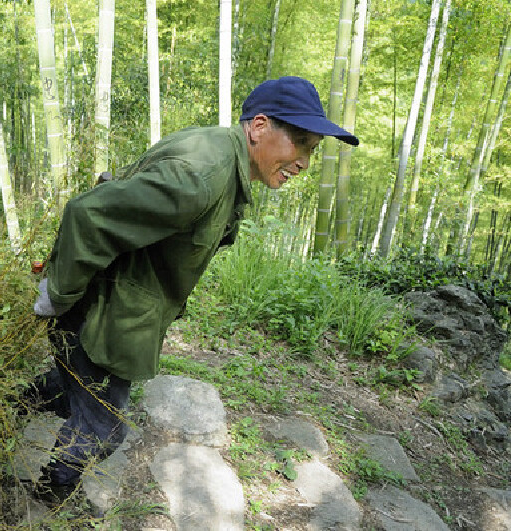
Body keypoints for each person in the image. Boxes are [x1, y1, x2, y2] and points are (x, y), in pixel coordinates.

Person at [28, 76, 359, 501]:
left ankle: (10, 406)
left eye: (312, 150)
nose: (304, 163)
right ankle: (51, 494)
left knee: (75, 389)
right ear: (259, 126)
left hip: (123, 304)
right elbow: (88, 215)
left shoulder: (223, 160)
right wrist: (56, 293)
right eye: (300, 144)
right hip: (98, 309)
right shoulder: (202, 175)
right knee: (104, 426)